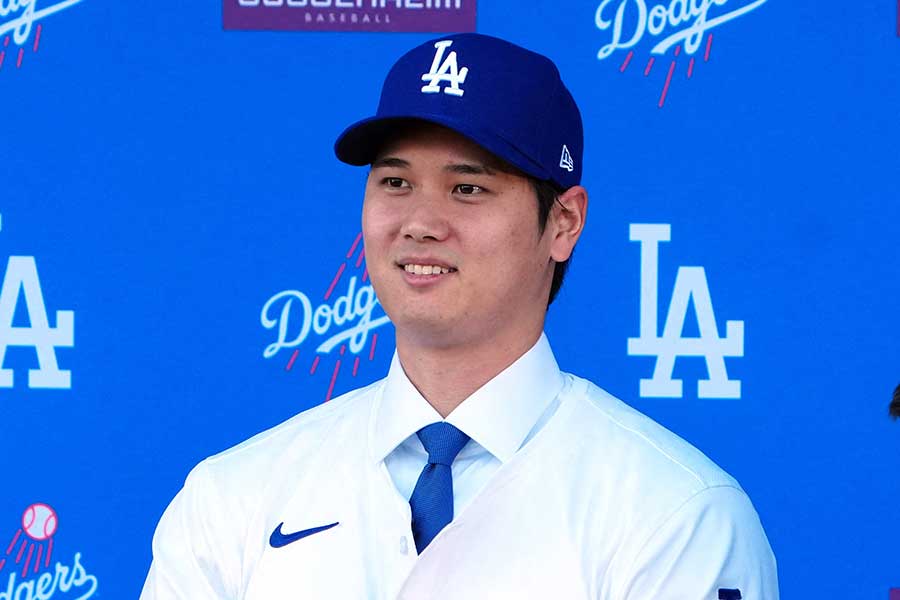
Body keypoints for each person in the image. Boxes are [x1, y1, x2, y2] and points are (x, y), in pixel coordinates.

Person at [140, 33, 779, 599]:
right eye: (395, 183)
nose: (419, 223)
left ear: (564, 222)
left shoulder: (677, 513)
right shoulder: (231, 497)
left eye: (467, 188)